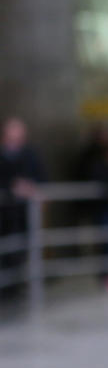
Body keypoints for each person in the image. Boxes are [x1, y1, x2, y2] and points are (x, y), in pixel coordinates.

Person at [0, 118, 46, 298]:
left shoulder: (31, 154)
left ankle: (15, 285)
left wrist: (31, 187)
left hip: (23, 214)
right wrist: (13, 186)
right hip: (5, 214)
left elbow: (42, 177)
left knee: (21, 249)